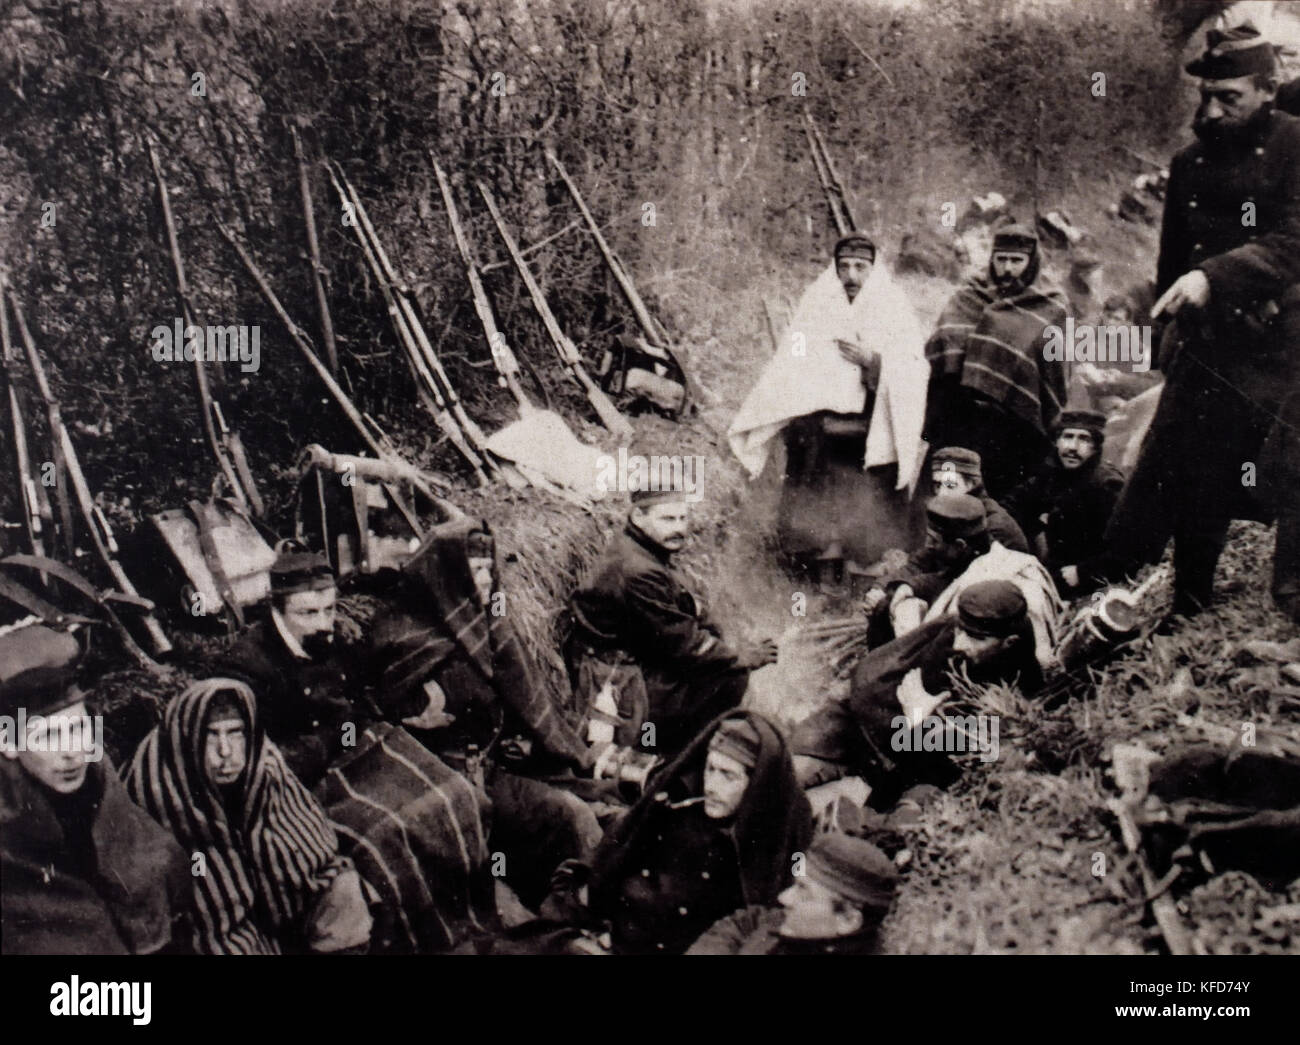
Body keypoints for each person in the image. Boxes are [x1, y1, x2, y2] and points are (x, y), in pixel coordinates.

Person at [1104, 23, 1300, 624]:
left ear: (1268, 90)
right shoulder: (1188, 162)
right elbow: (1174, 262)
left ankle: (1290, 600)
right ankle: (1188, 599)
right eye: (1205, 98)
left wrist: (1217, 278)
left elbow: (1295, 238)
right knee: (1191, 471)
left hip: (1280, 348)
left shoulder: (1296, 145)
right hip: (1208, 347)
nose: (1211, 112)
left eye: (1229, 98)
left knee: (1287, 469)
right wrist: (1165, 330)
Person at [369, 514, 601, 910]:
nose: (485, 581)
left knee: (573, 815)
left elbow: (525, 697)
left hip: (491, 773)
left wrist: (524, 738)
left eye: (488, 571)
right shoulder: (401, 635)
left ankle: (582, 912)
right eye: (473, 570)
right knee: (484, 884)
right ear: (446, 574)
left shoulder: (489, 625)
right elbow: (391, 719)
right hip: (439, 789)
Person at [728, 233, 930, 577]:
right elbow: (792, 362)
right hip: (821, 423)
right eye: (844, 267)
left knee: (869, 477)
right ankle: (818, 553)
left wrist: (874, 362)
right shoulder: (819, 302)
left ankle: (863, 558)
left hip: (872, 421)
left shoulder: (893, 306)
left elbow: (914, 368)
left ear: (873, 269)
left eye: (860, 267)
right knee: (811, 453)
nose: (851, 276)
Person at [125, 677, 372, 954]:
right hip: (211, 933)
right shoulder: (159, 786)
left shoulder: (263, 764)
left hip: (274, 912)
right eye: (211, 735)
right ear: (188, 737)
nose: (225, 752)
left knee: (343, 890)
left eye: (235, 733)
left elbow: (310, 850)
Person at [0, 625, 190, 955]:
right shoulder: (11, 837)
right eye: (46, 736)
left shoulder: (104, 791)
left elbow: (163, 870)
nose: (72, 751)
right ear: (8, 743)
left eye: (78, 728)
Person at [565, 487, 779, 758]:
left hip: (633, 658)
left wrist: (722, 641)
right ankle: (673, 755)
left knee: (720, 665)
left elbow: (684, 614)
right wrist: (738, 657)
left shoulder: (641, 549)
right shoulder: (638, 570)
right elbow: (682, 642)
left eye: (682, 519)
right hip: (619, 677)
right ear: (638, 517)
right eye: (668, 519)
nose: (679, 528)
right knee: (730, 677)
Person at [582, 711, 813, 954]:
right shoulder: (678, 808)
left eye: (728, 776)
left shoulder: (779, 838)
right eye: (710, 769)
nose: (712, 787)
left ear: (756, 784)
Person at [792, 581, 1043, 802]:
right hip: (863, 723)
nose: (959, 643)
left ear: (1009, 643)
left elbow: (971, 759)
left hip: (905, 759)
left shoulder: (1018, 691)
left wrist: (922, 719)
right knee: (784, 770)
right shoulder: (956, 635)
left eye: (977, 638)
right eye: (961, 630)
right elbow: (875, 681)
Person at [924, 224, 1070, 497]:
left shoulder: (1051, 305)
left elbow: (1056, 372)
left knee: (998, 497)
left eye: (1016, 260)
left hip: (1012, 425)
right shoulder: (969, 294)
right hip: (959, 415)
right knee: (947, 493)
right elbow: (942, 342)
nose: (1007, 268)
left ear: (1031, 262)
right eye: (1001, 259)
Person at [214, 547, 374, 788]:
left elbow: (356, 710)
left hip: (344, 764)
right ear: (277, 611)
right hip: (291, 788)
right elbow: (261, 763)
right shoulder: (245, 668)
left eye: (328, 610)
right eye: (307, 613)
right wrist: (336, 738)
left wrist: (348, 743)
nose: (323, 624)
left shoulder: (333, 640)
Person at [686, 831, 898, 955]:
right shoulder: (796, 926)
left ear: (848, 920)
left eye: (803, 891)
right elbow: (747, 921)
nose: (784, 897)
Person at [1002, 408, 1125, 596]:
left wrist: (1083, 572)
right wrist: (1033, 530)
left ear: (1096, 446)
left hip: (1085, 585)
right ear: (1057, 441)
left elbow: (1124, 549)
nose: (1073, 447)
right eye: (1067, 437)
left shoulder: (1106, 485)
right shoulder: (1051, 473)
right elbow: (1011, 505)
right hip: (1047, 572)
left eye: (1084, 439)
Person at [860, 494, 996, 648]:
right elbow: (914, 566)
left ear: (960, 545)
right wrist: (880, 588)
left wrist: (910, 586)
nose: (927, 544)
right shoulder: (951, 548)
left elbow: (950, 583)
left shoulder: (989, 567)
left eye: (934, 541)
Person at [929, 446, 1029, 552]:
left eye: (950, 486)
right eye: (937, 485)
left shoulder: (993, 527)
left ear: (971, 484)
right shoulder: (955, 515)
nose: (941, 493)